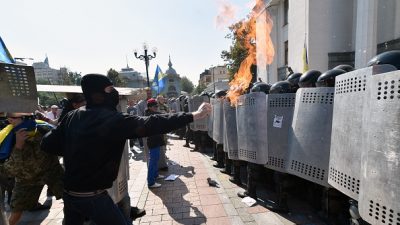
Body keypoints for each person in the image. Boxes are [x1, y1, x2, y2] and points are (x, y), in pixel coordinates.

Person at [41, 74, 211, 225]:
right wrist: (193, 115)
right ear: (99, 93)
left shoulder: (72, 116)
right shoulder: (111, 119)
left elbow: (48, 143)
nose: (114, 92)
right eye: (110, 89)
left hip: (70, 194)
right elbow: (152, 123)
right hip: (92, 196)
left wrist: (76, 148)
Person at [0, 113, 64, 225]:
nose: (10, 119)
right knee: (16, 211)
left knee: (70, 199)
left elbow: (62, 145)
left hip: (52, 173)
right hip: (27, 180)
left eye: (14, 117)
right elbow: (10, 171)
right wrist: (18, 146)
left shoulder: (43, 129)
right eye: (9, 118)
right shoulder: (8, 137)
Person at [145, 98, 166, 188]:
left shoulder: (153, 113)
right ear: (150, 107)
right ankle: (151, 182)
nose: (156, 107)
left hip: (156, 139)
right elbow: (160, 115)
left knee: (156, 158)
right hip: (153, 140)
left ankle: (155, 175)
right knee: (153, 160)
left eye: (157, 106)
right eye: (155, 106)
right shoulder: (150, 115)